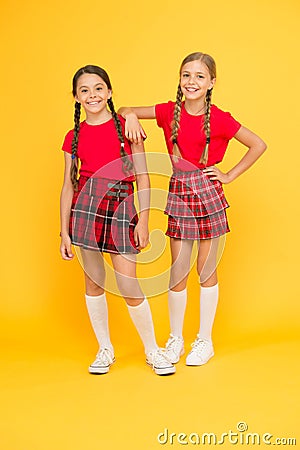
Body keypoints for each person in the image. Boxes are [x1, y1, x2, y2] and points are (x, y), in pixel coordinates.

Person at [118, 52, 267, 366]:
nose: (191, 82)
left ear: (212, 82)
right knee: (178, 272)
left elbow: (258, 144)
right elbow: (124, 109)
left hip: (207, 192)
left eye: (199, 76)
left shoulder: (221, 118)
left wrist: (229, 175)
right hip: (179, 190)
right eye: (186, 75)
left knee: (206, 270)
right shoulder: (167, 112)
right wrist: (129, 115)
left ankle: (205, 340)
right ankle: (176, 339)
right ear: (180, 79)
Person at [59, 65, 175, 376]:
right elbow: (69, 184)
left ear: (109, 92)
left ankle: (153, 350)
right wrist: (64, 232)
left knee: (128, 284)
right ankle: (105, 349)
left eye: (98, 88)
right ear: (76, 97)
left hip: (122, 207)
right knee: (94, 282)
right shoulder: (73, 136)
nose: (92, 95)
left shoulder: (127, 127)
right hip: (85, 209)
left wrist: (144, 220)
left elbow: (144, 177)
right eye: (84, 90)